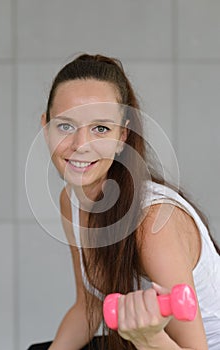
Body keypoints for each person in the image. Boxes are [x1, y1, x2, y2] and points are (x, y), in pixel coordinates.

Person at [28, 53, 220, 350]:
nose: (81, 145)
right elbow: (88, 305)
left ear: (122, 136)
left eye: (100, 128)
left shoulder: (154, 223)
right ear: (46, 126)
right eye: (65, 126)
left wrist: (149, 337)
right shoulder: (72, 202)